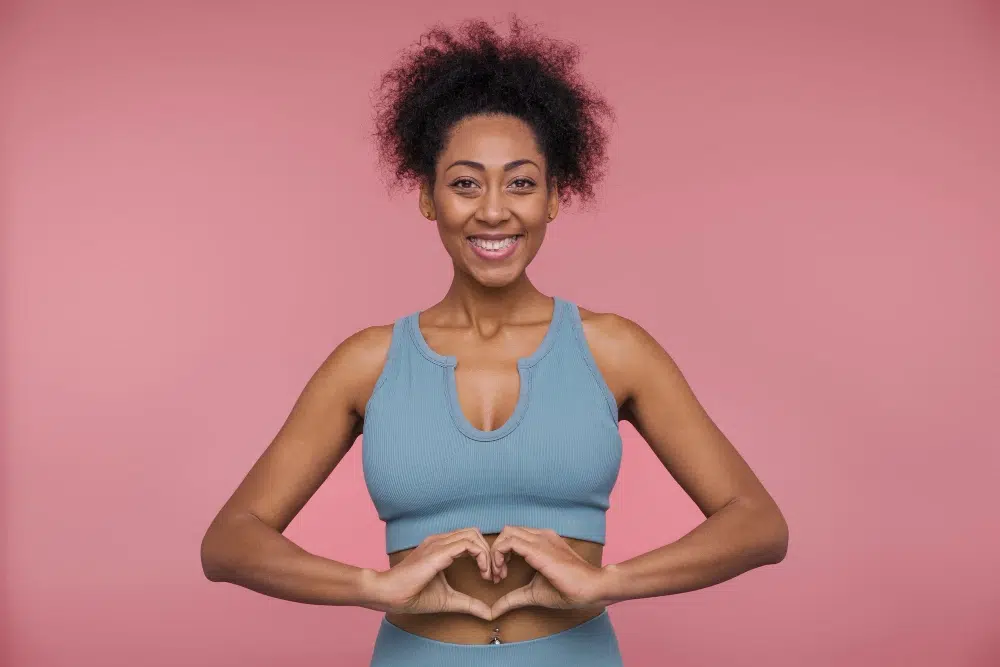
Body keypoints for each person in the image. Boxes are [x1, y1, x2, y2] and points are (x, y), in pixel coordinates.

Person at [200, 16, 789, 666]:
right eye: (464, 183)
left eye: (521, 182)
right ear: (428, 196)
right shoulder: (366, 364)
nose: (493, 209)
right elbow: (229, 541)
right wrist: (371, 585)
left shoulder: (614, 350)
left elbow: (758, 522)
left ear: (555, 197)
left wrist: (609, 579)